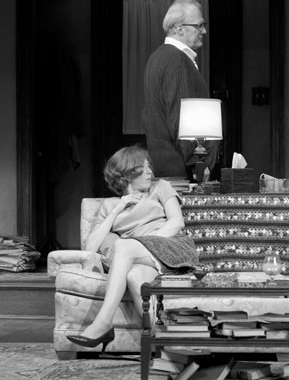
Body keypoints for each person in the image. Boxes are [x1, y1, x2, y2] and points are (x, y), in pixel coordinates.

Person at [67, 145, 198, 351]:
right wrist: (118, 208)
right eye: (142, 168)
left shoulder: (161, 187)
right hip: (145, 259)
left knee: (124, 246)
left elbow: (177, 223)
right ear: (127, 173)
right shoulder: (110, 207)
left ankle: (103, 322)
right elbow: (90, 247)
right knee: (134, 277)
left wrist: (143, 243)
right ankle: (165, 345)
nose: (150, 172)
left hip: (172, 248)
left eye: (149, 167)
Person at [142, 0, 218, 179]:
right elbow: (181, 122)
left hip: (167, 171)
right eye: (199, 25)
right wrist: (199, 168)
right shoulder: (176, 61)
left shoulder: (158, 57)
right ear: (178, 28)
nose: (204, 31)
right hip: (181, 175)